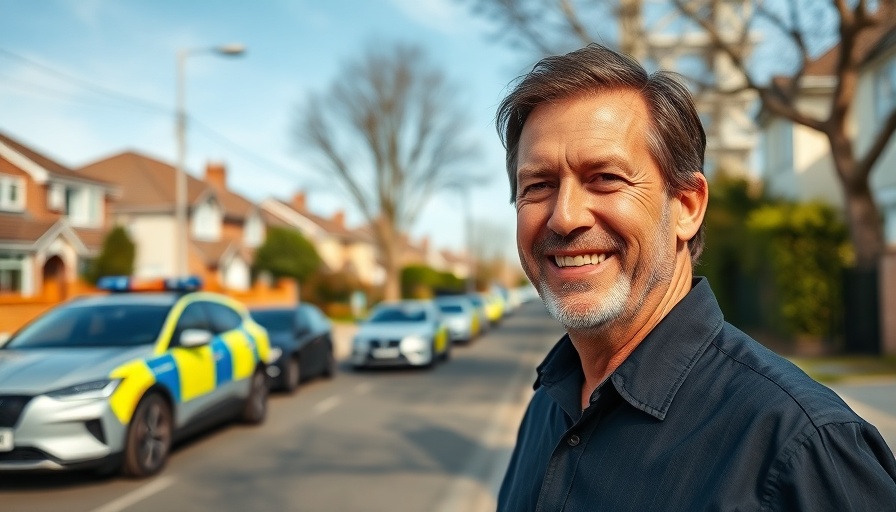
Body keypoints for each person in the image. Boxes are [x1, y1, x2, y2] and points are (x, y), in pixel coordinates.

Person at [495, 43, 896, 511]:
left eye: (605, 177)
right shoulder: (548, 407)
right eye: (537, 186)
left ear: (686, 207)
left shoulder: (802, 446)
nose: (564, 217)